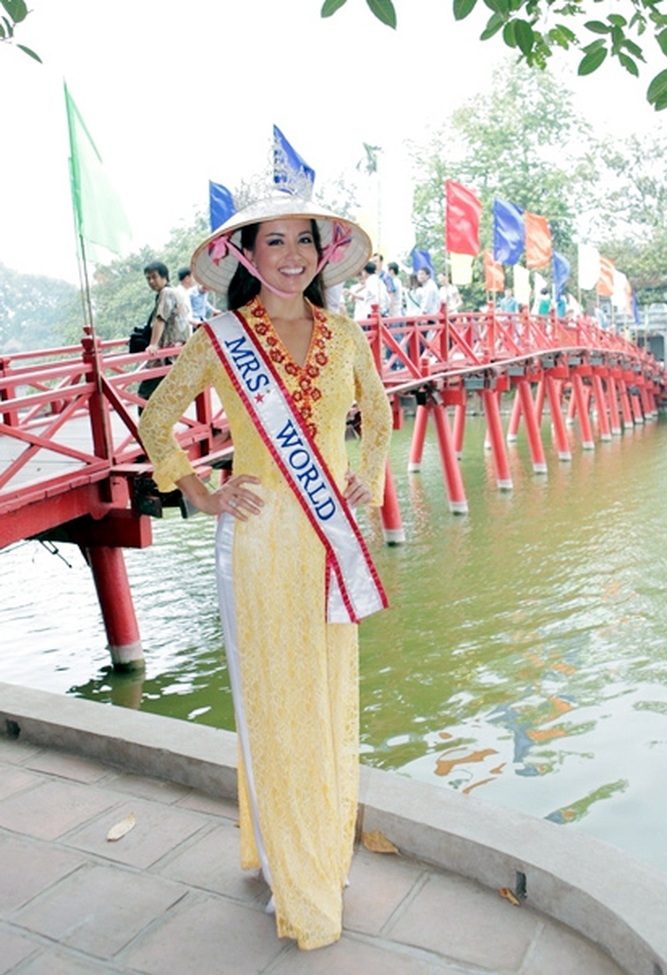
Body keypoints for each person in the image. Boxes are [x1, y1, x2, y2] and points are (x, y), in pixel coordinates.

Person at [138, 189, 393, 951]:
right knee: (274, 697)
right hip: (254, 540)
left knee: (324, 690)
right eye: (273, 242)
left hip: (326, 538)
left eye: (303, 242)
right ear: (247, 256)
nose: (290, 256)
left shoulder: (344, 333)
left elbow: (376, 415)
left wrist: (366, 480)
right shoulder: (222, 339)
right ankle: (297, 871)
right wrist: (200, 489)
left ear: (322, 253)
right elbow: (155, 414)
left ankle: (315, 835)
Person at [138, 261, 191, 404]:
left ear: (164, 277)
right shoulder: (175, 292)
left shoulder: (166, 293)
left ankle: (147, 426)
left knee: (145, 394)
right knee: (163, 395)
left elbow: (160, 319)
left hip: (166, 354)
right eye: (148, 278)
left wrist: (153, 344)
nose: (151, 281)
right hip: (176, 353)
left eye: (154, 277)